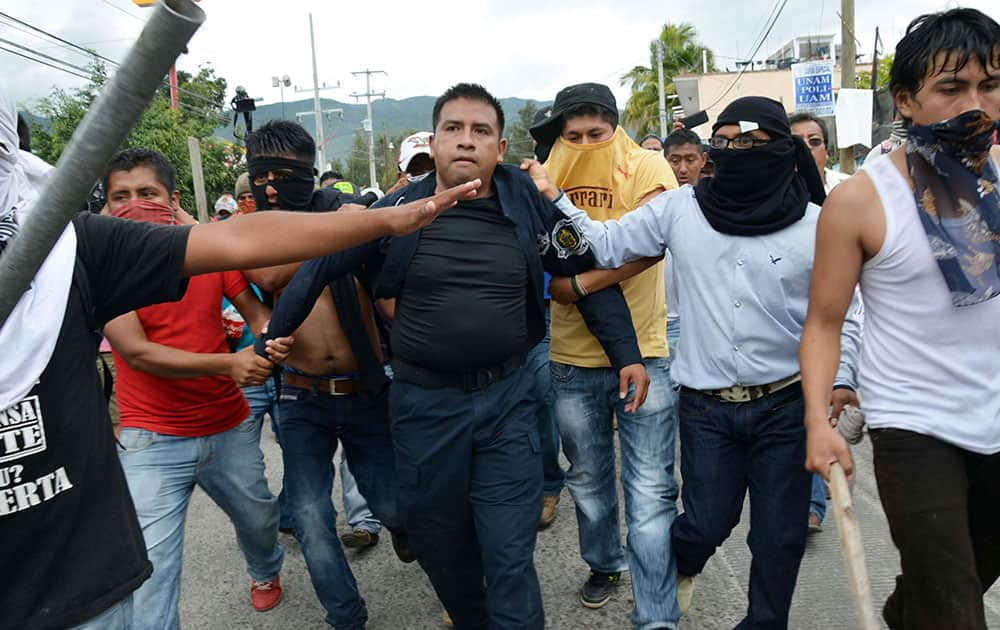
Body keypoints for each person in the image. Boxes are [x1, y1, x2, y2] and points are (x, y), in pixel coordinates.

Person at [0, 76, 479, 630]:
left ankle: (332, 562)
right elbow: (218, 282)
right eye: (121, 197)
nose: (275, 186)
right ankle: (346, 618)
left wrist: (380, 221)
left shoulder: (85, 253)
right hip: (240, 416)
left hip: (329, 397)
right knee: (296, 518)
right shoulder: (139, 256)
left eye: (149, 194)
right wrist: (351, 231)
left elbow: (250, 269)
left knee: (362, 510)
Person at [257, 82, 649, 630]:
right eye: (454, 129)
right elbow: (320, 264)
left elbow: (580, 269)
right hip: (424, 409)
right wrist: (275, 334)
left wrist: (625, 351)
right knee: (443, 550)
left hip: (506, 405)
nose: (467, 141)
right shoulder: (397, 209)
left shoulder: (529, 205)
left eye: (481, 131)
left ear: (499, 145)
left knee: (510, 558)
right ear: (436, 142)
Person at [525, 95, 863, 629]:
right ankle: (676, 567)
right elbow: (608, 244)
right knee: (705, 524)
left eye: (749, 142)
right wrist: (555, 198)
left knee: (779, 536)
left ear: (781, 149)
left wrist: (842, 378)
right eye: (724, 142)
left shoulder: (818, 226)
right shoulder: (680, 209)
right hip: (707, 410)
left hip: (787, 405)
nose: (734, 151)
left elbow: (846, 310)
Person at [799, 9, 1000, 630]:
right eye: (951, 88)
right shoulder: (859, 200)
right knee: (956, 612)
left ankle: (907, 610)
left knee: (954, 582)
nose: (976, 104)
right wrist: (817, 423)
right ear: (906, 101)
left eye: (990, 85)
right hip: (915, 424)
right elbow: (824, 322)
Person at [101, 149, 289, 627]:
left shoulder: (206, 257)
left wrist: (271, 339)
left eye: (147, 193)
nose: (133, 206)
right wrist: (230, 363)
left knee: (260, 519)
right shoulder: (104, 267)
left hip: (227, 425)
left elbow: (256, 314)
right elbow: (138, 352)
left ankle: (266, 571)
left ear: (173, 200)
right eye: (119, 197)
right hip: (152, 438)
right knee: (151, 574)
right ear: (104, 206)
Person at [242, 119, 413, 629]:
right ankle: (347, 616)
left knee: (392, 502)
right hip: (300, 397)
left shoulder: (342, 213)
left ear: (307, 174)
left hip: (365, 388)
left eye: (282, 176)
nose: (270, 187)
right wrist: (340, 232)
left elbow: (384, 243)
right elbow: (266, 274)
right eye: (260, 177)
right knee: (313, 519)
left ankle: (412, 534)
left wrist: (354, 222)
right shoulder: (256, 229)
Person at [529, 82, 679, 627]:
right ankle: (605, 562)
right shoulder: (543, 170)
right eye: (575, 134)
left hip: (646, 349)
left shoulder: (647, 167)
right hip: (570, 357)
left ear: (615, 127)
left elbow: (648, 243)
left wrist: (581, 285)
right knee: (588, 479)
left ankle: (657, 612)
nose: (587, 142)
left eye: (598, 132)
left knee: (649, 490)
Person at [788, 111, 857, 534]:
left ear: (826, 149)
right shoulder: (764, 198)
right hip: (790, 331)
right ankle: (810, 494)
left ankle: (815, 498)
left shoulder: (850, 198)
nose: (804, 150)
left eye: (813, 141)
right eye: (795, 141)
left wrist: (846, 369)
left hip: (837, 322)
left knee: (823, 407)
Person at [789, 113, 849, 194]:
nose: (806, 146)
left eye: (814, 141)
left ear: (826, 151)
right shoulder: (773, 193)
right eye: (797, 142)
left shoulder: (850, 187)